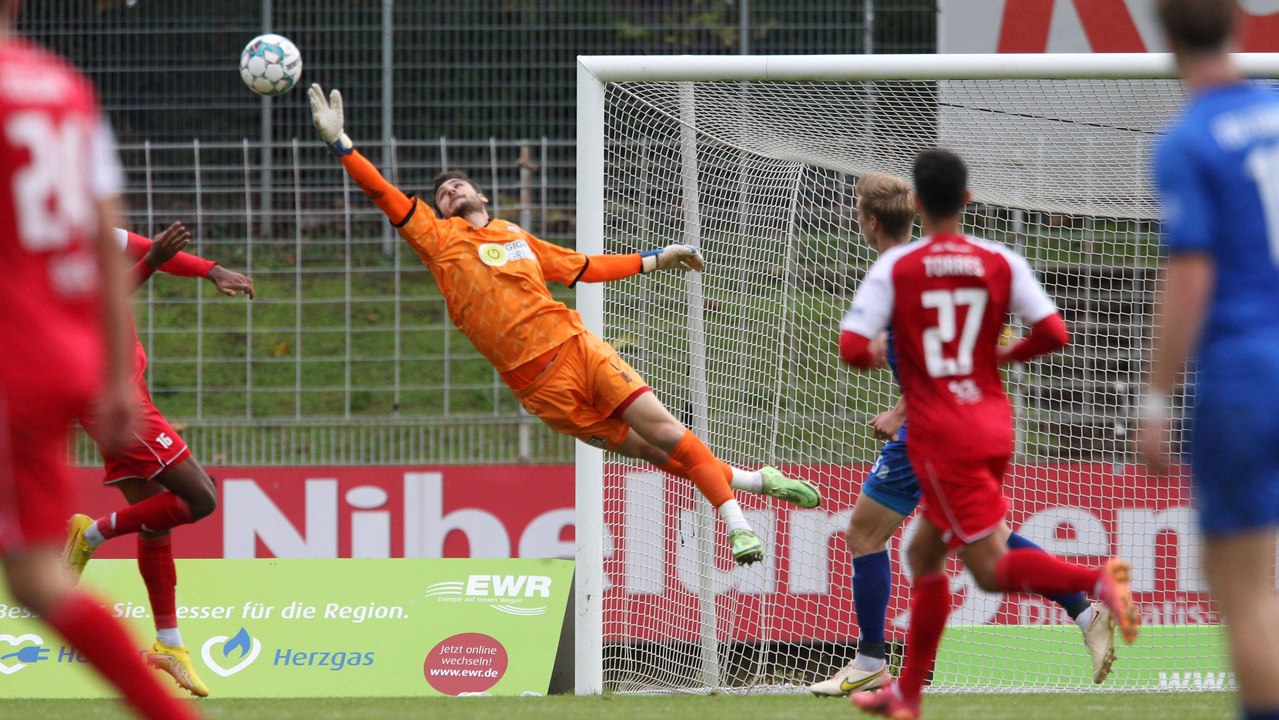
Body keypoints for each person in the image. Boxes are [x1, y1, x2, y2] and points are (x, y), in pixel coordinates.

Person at [306, 83, 820, 565]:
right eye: (442, 193)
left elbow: (583, 268)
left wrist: (657, 259)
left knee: (666, 432)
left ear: (483, 198)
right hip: (542, 392)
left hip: (575, 349)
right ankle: (755, 481)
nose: (450, 190)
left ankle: (735, 522)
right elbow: (383, 194)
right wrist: (341, 144)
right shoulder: (439, 243)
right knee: (652, 453)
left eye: (460, 184)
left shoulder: (515, 237)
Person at [840, 149, 1139, 719]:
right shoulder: (999, 259)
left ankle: (1096, 582)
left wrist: (886, 349)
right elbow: (1055, 332)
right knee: (926, 551)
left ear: (919, 204)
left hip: (940, 434)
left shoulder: (896, 270)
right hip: (994, 424)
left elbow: (853, 350)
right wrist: (1000, 355)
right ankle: (906, 693)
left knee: (988, 566)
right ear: (968, 200)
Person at [0, 3, 201, 718]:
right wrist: (114, 369)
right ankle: (167, 658)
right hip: (61, 359)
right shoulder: (64, 87)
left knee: (40, 574)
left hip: (12, 355)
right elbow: (101, 229)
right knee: (35, 578)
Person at [1139, 2, 1279, 718]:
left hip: (1247, 376)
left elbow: (1190, 274)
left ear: (1161, 38)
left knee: (1245, 586)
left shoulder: (1187, 141)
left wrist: (1156, 397)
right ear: (1241, 23)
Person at [63, 221, 255, 698]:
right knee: (201, 498)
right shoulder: (38, 248)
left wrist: (211, 270)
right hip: (108, 394)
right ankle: (89, 533)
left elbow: (156, 249)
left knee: (156, 521)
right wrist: (148, 264)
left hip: (122, 392)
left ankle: (168, 645)